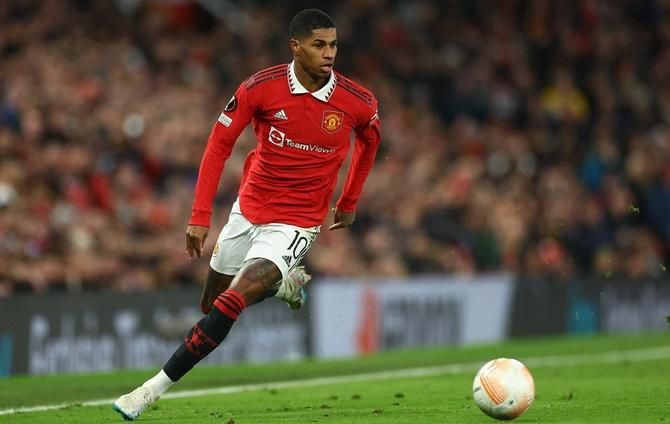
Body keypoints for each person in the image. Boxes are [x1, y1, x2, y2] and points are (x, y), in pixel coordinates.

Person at [113, 8, 381, 420]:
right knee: (212, 304)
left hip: (296, 222)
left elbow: (369, 142)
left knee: (233, 301)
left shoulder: (357, 101)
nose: (329, 53)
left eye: (333, 45)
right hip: (248, 209)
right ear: (295, 47)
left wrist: (348, 201)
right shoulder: (261, 87)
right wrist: (200, 214)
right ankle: (283, 286)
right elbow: (218, 144)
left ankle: (148, 391)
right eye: (318, 45)